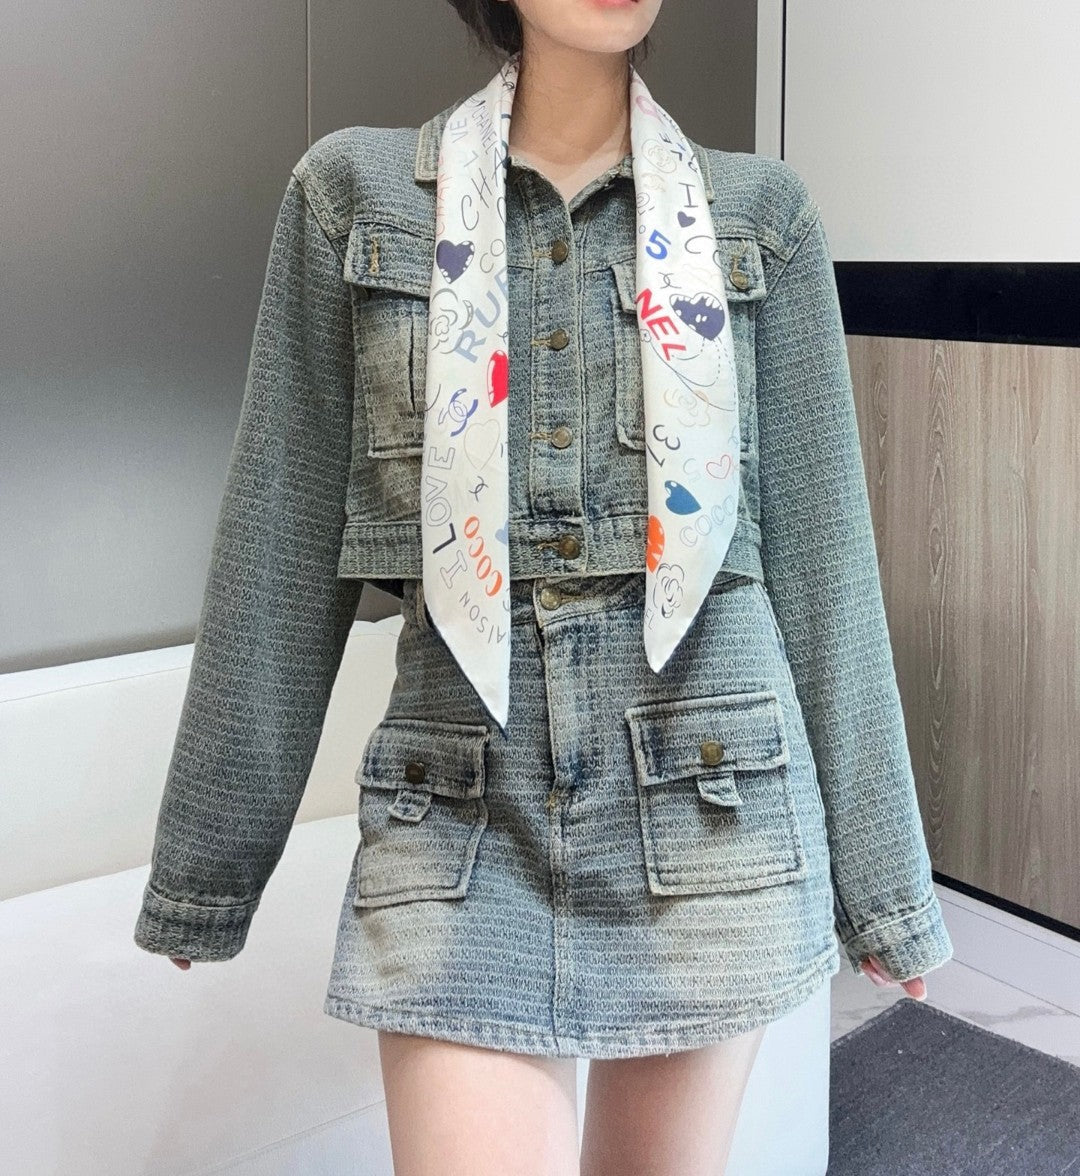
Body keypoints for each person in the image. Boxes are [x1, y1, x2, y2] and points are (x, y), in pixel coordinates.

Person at [134, 1, 954, 1172]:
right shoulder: (354, 198)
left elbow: (828, 564)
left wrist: (886, 888)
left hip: (708, 805)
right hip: (455, 819)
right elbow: (279, 544)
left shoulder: (761, 216)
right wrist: (206, 867)